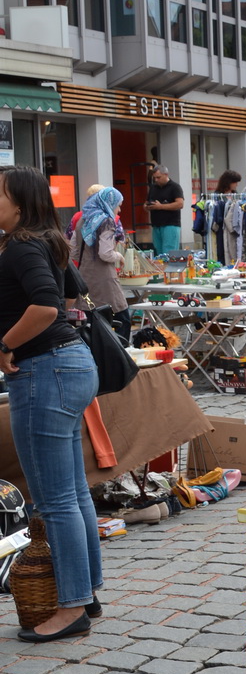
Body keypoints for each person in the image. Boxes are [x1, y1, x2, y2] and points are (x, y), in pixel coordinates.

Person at [0, 168, 103, 640]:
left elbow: (46, 305)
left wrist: (5, 344)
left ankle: (72, 607)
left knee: (55, 500)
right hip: (68, 365)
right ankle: (87, 592)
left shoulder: (23, 245)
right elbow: (70, 291)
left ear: (19, 204)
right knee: (73, 492)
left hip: (46, 370)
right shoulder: (45, 240)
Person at [70, 186, 130, 343]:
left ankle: (95, 355)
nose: (119, 210)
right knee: (122, 319)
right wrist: (119, 256)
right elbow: (105, 253)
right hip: (104, 279)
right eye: (118, 205)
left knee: (90, 324)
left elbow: (73, 251)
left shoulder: (82, 220)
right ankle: (119, 354)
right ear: (109, 203)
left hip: (84, 277)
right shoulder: (106, 222)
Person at [144, 164, 184, 256]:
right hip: (156, 225)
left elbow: (180, 204)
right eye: (154, 178)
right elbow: (146, 202)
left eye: (158, 177)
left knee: (169, 253)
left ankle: (170, 266)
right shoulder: (153, 188)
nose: (156, 180)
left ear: (166, 175)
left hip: (170, 224)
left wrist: (161, 206)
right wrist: (147, 206)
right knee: (159, 253)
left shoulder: (175, 187)